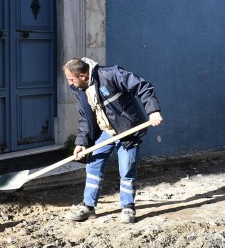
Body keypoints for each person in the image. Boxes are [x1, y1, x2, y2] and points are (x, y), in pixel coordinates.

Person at [62, 57, 163, 223]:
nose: (70, 84)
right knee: (93, 165)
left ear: (83, 75)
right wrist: (81, 143)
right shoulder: (79, 90)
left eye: (71, 79)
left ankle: (128, 207)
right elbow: (85, 119)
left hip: (128, 131)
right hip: (106, 132)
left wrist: (153, 111)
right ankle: (88, 206)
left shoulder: (110, 75)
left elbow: (142, 86)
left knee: (127, 169)